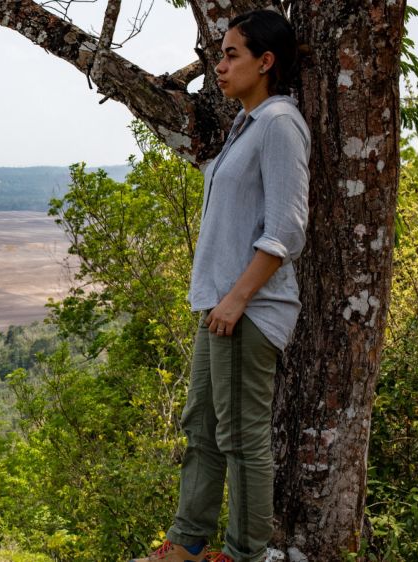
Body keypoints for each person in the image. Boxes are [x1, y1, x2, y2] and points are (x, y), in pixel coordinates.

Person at [133, 9, 310, 562]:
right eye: (220, 54)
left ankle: (245, 553)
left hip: (247, 309)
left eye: (233, 54)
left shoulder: (279, 123)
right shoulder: (246, 124)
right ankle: (186, 544)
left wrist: (237, 298)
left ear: (266, 61)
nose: (220, 65)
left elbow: (287, 228)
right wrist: (221, 300)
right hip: (219, 306)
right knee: (203, 431)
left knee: (241, 438)